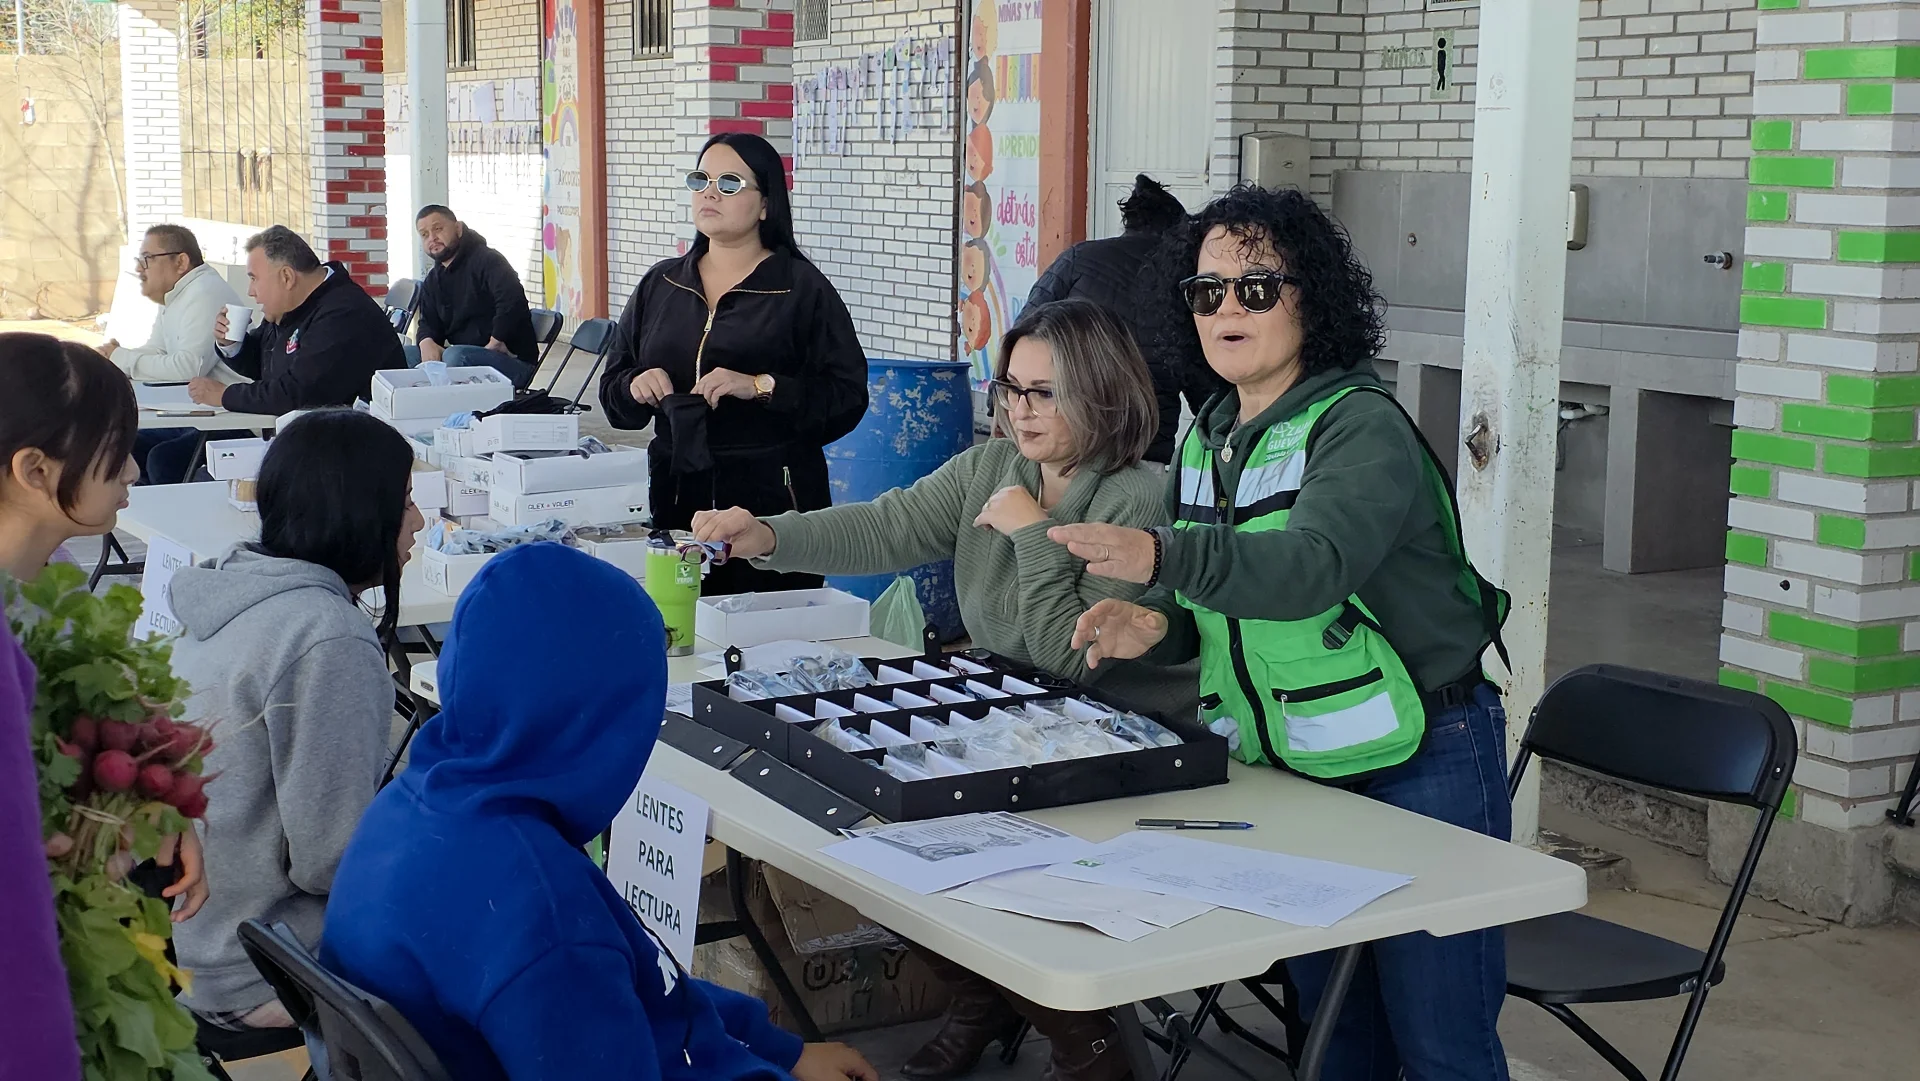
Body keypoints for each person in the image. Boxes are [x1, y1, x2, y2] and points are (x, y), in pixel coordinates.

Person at [1056, 185, 1513, 1081]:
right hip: (1301, 767)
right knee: (1335, 1033)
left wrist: (1160, 556)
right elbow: (1225, 606)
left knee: (1440, 1040)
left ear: (1313, 298)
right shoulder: (1212, 432)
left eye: (1257, 287)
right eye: (1206, 290)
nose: (1228, 307)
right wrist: (1158, 626)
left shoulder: (1359, 426)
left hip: (1429, 753)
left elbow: (1310, 568)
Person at [320, 542, 880, 1081]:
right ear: (600, 725)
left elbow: (640, 980)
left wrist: (775, 1049)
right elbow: (584, 974)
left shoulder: (412, 806)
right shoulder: (543, 915)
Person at [692, 299, 1187, 719]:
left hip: (1119, 725)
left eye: (1044, 393)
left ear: (1102, 396)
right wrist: (769, 536)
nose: (1019, 410)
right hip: (1019, 706)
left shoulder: (1134, 500)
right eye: (1012, 388)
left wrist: (1034, 533)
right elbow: (888, 527)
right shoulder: (989, 466)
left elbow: (1068, 659)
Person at [167, 408, 424, 1032]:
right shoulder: (326, 638)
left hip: (192, 940)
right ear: (364, 515)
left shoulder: (232, 589)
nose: (418, 521)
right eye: (407, 500)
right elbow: (332, 861)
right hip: (259, 966)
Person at [597, 132, 868, 595]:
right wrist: (633, 386)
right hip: (677, 493)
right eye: (700, 179)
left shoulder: (800, 290)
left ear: (765, 204)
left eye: (729, 182)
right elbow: (614, 394)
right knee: (682, 630)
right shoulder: (661, 284)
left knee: (765, 642)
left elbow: (847, 397)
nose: (708, 191)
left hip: (770, 500)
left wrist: (762, 386)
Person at [1028, 174, 1223, 465]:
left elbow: (1024, 333)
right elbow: (1202, 382)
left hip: (1074, 438)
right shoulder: (1183, 279)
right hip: (1147, 449)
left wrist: (1003, 403)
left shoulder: (1077, 259)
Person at [190, 225, 403, 416]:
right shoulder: (293, 305)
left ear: (287, 277)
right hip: (303, 435)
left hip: (352, 445)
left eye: (254, 278)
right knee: (168, 453)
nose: (251, 291)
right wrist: (232, 344)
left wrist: (225, 395)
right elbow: (266, 364)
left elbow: (298, 394)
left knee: (168, 458)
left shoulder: (344, 314)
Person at [107, 225, 250, 485]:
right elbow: (156, 350)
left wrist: (121, 358)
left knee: (163, 459)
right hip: (199, 413)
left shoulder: (205, 292)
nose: (140, 268)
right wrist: (113, 358)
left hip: (236, 416)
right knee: (124, 443)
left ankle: (172, 523)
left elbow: (188, 367)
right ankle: (133, 523)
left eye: (148, 259)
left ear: (181, 261)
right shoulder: (177, 294)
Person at [407, 205, 540, 387]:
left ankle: (449, 411)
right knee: (404, 354)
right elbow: (428, 321)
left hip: (511, 360)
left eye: (438, 229)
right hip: (467, 356)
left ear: (458, 228)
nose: (432, 238)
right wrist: (426, 341)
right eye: (424, 234)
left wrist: (496, 340)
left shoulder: (488, 260)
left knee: (455, 356)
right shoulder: (434, 278)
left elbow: (511, 302)